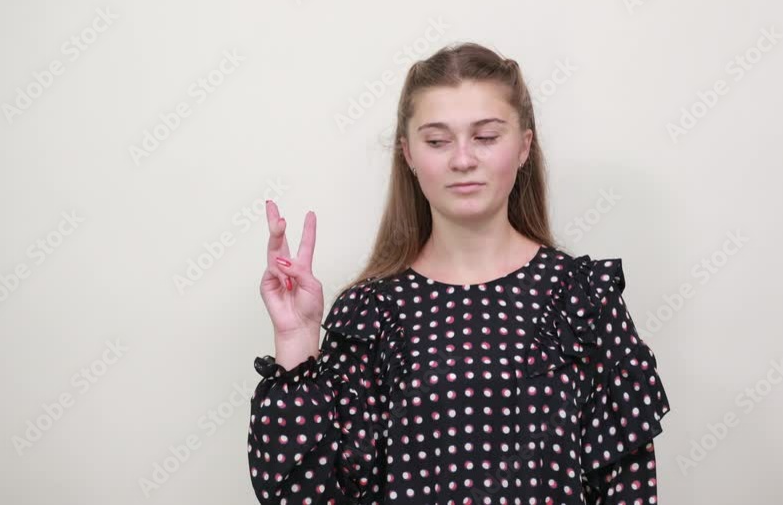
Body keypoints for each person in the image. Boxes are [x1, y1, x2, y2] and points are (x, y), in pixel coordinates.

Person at [247, 42, 671, 504]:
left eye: (486, 137)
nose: (463, 160)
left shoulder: (580, 299)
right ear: (408, 154)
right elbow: (310, 498)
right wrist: (296, 346)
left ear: (524, 145)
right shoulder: (373, 313)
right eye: (437, 141)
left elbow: (626, 488)